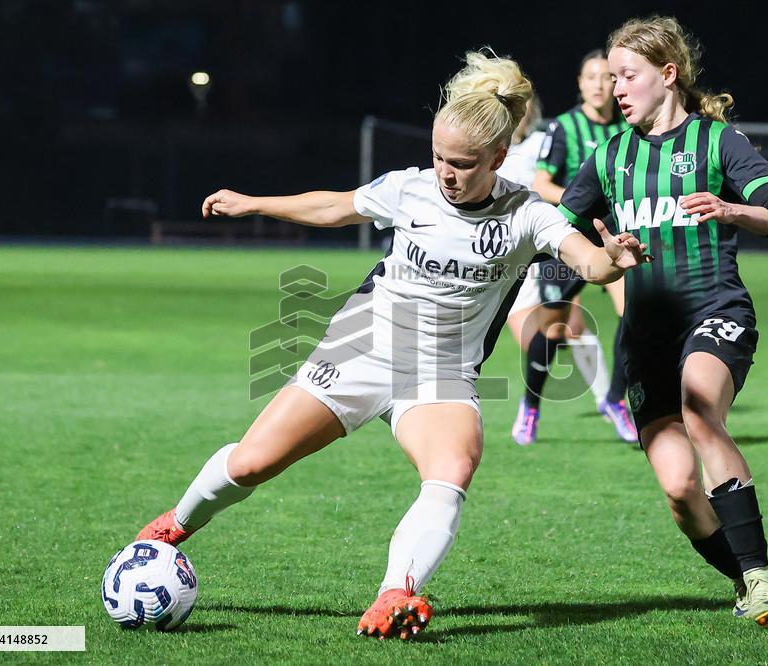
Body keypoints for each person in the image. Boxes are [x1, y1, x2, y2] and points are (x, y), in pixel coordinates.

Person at [134, 50, 649, 640]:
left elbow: (584, 256)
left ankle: (394, 594)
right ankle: (175, 525)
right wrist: (254, 203)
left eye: (462, 164)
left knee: (453, 467)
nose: (445, 174)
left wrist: (611, 261)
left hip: (441, 374)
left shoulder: (527, 214)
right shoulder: (413, 189)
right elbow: (336, 205)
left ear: (499, 158)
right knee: (253, 461)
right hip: (360, 350)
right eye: (438, 158)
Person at [559, 16, 768, 625]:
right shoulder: (609, 155)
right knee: (679, 491)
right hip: (644, 336)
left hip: (714, 311)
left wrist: (730, 209)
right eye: (612, 77)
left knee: (700, 411)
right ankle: (744, 580)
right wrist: (606, 259)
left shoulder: (719, 142)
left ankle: (761, 579)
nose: (615, 88)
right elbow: (558, 232)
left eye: (627, 76)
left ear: (667, 76)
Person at [510, 50, 637, 446]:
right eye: (592, 77)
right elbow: (543, 184)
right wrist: (585, 200)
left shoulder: (629, 127)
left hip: (616, 238)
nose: (600, 85)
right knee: (552, 328)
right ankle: (530, 406)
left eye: (607, 77)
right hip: (569, 239)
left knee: (631, 313)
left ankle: (616, 400)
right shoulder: (563, 127)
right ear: (580, 83)